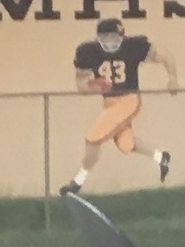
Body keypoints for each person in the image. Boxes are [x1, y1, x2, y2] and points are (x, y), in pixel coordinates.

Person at [65, 14, 173, 191]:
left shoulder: (133, 46)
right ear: (98, 38)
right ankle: (161, 157)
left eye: (113, 38)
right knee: (126, 145)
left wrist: (173, 77)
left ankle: (78, 181)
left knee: (93, 138)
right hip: (109, 102)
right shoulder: (88, 51)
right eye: (105, 38)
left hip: (129, 99)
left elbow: (165, 55)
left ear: (122, 36)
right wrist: (94, 85)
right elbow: (81, 86)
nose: (109, 43)